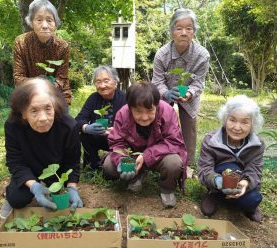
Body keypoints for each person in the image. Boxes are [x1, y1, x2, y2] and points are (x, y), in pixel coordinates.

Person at [0, 77, 83, 219]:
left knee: (62, 198)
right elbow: (15, 161)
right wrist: (33, 186)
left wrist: (72, 186)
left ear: (55, 106)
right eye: (34, 111)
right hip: (29, 168)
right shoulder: (13, 126)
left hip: (56, 171)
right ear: (23, 113)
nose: (43, 118)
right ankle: (12, 193)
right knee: (17, 199)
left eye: (48, 108)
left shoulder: (69, 126)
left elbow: (73, 161)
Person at [102, 81, 187, 208]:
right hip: (133, 156)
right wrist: (122, 161)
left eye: (149, 111)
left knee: (174, 163)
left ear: (156, 106)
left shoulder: (167, 111)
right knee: (109, 165)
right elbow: (117, 143)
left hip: (159, 156)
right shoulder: (122, 114)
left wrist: (146, 156)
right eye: (138, 111)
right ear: (130, 108)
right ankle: (137, 176)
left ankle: (167, 188)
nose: (144, 117)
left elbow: (174, 141)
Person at [151, 8, 210, 166]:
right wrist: (166, 93)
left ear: (194, 32)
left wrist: (189, 93)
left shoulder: (202, 55)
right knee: (157, 121)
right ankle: (156, 156)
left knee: (189, 126)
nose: (184, 32)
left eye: (189, 28)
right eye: (179, 28)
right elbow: (157, 81)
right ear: (172, 31)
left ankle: (188, 164)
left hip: (189, 94)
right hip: (166, 93)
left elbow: (198, 82)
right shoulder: (161, 54)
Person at [197, 95, 265, 222]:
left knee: (253, 199)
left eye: (245, 122)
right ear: (225, 119)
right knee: (229, 168)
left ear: (252, 124)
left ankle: (247, 206)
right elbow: (204, 169)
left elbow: (255, 169)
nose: (237, 127)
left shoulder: (257, 145)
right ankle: (215, 195)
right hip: (218, 180)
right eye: (232, 120)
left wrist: (245, 183)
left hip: (242, 183)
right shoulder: (211, 141)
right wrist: (218, 181)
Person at [13, 0, 72, 104]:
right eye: (39, 20)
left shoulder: (63, 46)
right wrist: (39, 86)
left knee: (66, 120)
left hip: (56, 95)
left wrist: (48, 89)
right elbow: (18, 78)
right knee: (13, 121)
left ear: (55, 23)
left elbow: (61, 78)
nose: (45, 25)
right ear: (31, 22)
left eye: (49, 20)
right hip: (28, 94)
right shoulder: (21, 42)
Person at [75, 65, 126, 170]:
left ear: (116, 82)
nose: (102, 85)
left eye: (106, 81)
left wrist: (117, 131)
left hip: (119, 139)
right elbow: (79, 119)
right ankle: (92, 165)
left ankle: (117, 163)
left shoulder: (125, 99)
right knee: (85, 135)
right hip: (99, 137)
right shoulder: (93, 98)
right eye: (98, 82)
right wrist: (86, 127)